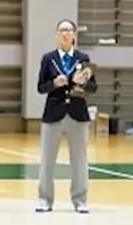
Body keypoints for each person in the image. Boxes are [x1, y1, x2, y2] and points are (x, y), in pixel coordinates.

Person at [35, 19, 97, 213]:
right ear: (56, 35)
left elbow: (93, 87)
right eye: (61, 30)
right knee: (47, 161)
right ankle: (45, 200)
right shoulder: (48, 58)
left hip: (77, 115)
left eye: (69, 30)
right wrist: (54, 83)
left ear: (75, 35)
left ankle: (80, 200)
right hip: (53, 114)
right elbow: (40, 87)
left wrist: (82, 83)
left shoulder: (83, 58)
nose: (65, 34)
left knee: (79, 161)